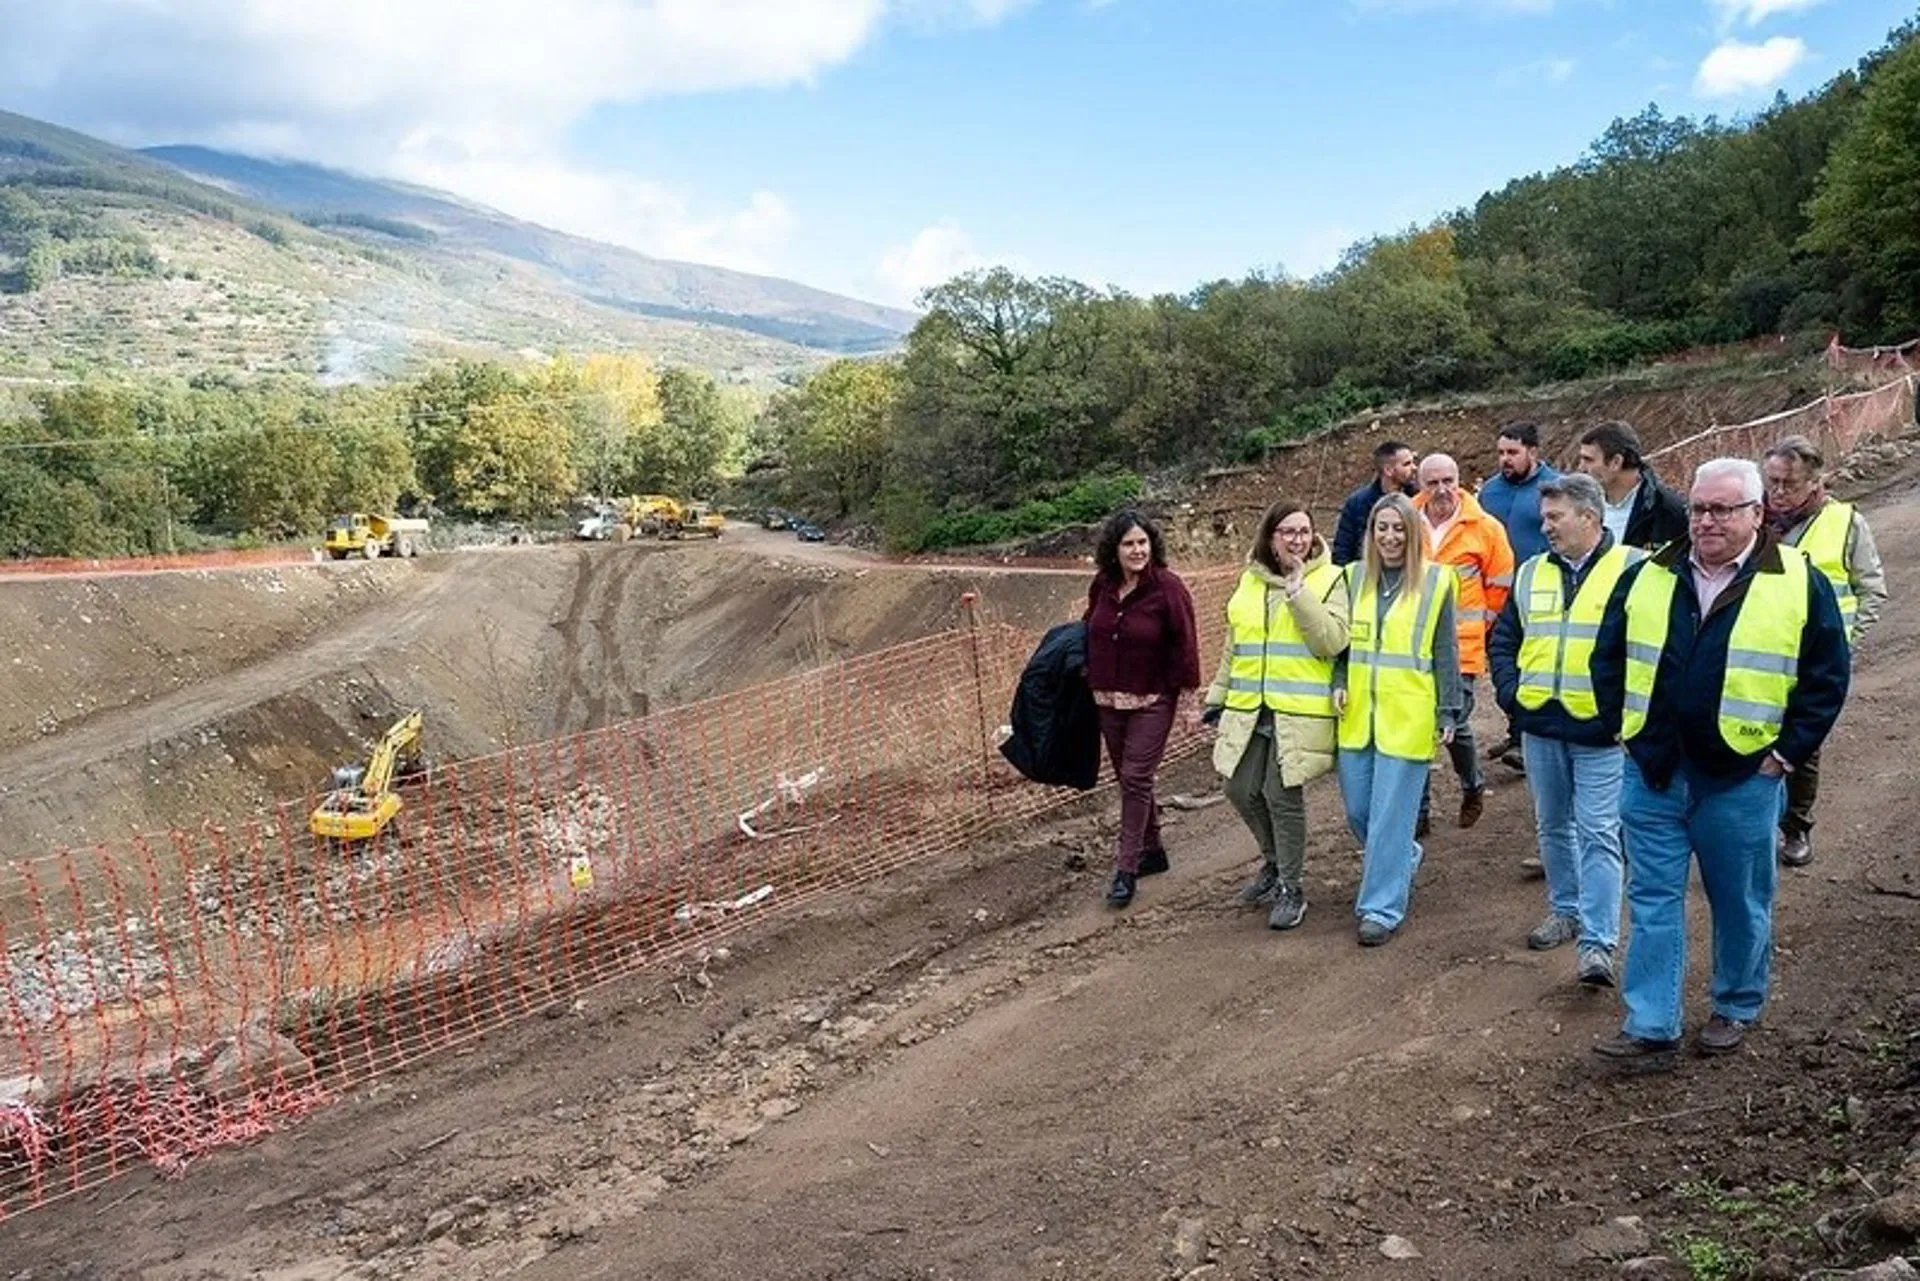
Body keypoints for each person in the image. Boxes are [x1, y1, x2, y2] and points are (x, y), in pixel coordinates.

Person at [1590, 458, 1850, 1069]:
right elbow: (1608, 658)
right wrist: (1625, 731)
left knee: (1739, 899)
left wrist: (1786, 753)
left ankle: (1735, 1004)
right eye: (1700, 507)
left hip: (1740, 778)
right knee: (1653, 899)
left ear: (1757, 514)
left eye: (1723, 509)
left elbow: (1826, 677)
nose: (1706, 520)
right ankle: (1653, 1026)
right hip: (1654, 772)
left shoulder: (1796, 580)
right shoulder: (1650, 573)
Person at [1489, 473, 1640, 988]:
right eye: (1544, 516)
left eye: (1555, 517)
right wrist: (1510, 691)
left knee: (1599, 833)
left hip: (1602, 732)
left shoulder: (1634, 570)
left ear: (1590, 519)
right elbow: (1504, 636)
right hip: (1540, 724)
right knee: (1552, 826)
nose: (1545, 526)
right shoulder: (1531, 573)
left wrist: (1628, 714)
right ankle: (1566, 911)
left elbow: (1655, 650)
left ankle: (1598, 944)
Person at [1203, 502, 1350, 931]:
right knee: (1239, 788)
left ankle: (1291, 886)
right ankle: (1272, 863)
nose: (1297, 540)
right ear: (1270, 537)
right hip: (1250, 707)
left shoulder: (1329, 578)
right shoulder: (1249, 582)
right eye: (1287, 532)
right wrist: (1218, 695)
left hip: (1298, 709)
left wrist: (1299, 592)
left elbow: (1332, 641)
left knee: (1281, 796)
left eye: (1304, 531)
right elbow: (1235, 646)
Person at [1335, 493, 1465, 946]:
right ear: (1370, 533)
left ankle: (1381, 908)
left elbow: (1446, 651)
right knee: (1359, 811)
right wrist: (1338, 678)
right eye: (1381, 528)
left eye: (1398, 529)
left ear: (1412, 534)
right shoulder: (1352, 579)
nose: (1389, 537)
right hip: (1357, 717)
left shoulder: (1436, 582)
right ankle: (1401, 855)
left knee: (1391, 815)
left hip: (1408, 714)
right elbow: (1340, 643)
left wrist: (1451, 709)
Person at [1762, 434, 1889, 868]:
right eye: (1772, 481)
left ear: (1816, 482)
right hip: (1758, 654)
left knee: (1802, 744)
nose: (1778, 492)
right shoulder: (1753, 519)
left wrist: (1842, 646)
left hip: (1815, 659)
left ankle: (1796, 827)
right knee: (1751, 738)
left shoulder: (1846, 523)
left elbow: (1871, 590)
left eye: (1789, 484)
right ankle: (1756, 827)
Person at [1083, 510, 1202, 910]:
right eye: (1128, 544)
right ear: (1114, 550)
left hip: (1154, 697)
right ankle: (1152, 849)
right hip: (1107, 699)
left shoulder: (1169, 589)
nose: (1137, 550)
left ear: (1152, 546)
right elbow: (1090, 627)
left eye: (1142, 543)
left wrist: (1188, 701)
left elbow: (1186, 646)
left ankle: (1126, 869)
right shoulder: (1102, 585)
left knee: (1135, 777)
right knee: (1129, 778)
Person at [1413, 453, 1513, 831]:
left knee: (1453, 721)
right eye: (1432, 482)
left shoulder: (1485, 528)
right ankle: (1418, 812)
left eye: (1447, 481)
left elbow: (1500, 583)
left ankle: (1472, 784)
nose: (1441, 490)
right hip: (1414, 647)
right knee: (1419, 725)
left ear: (1460, 481)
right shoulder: (1405, 521)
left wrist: (1481, 626)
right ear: (1421, 486)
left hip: (1462, 647)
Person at [1477, 421, 1561, 768]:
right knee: (1502, 664)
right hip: (1498, 595)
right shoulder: (1490, 493)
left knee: (1533, 663)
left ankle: (1528, 739)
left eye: (1512, 452)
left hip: (1540, 593)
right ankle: (1517, 729)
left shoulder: (1555, 489)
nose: (1505, 459)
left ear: (1533, 452)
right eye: (1500, 453)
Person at [1576, 421, 1689, 552]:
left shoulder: (1668, 511)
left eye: (1588, 460)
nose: (1581, 468)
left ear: (1616, 462)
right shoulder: (1579, 505)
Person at [1333, 440, 1419, 567]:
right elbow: (1342, 551)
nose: (1414, 468)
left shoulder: (1418, 499)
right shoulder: (1357, 503)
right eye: (1407, 464)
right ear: (1388, 470)